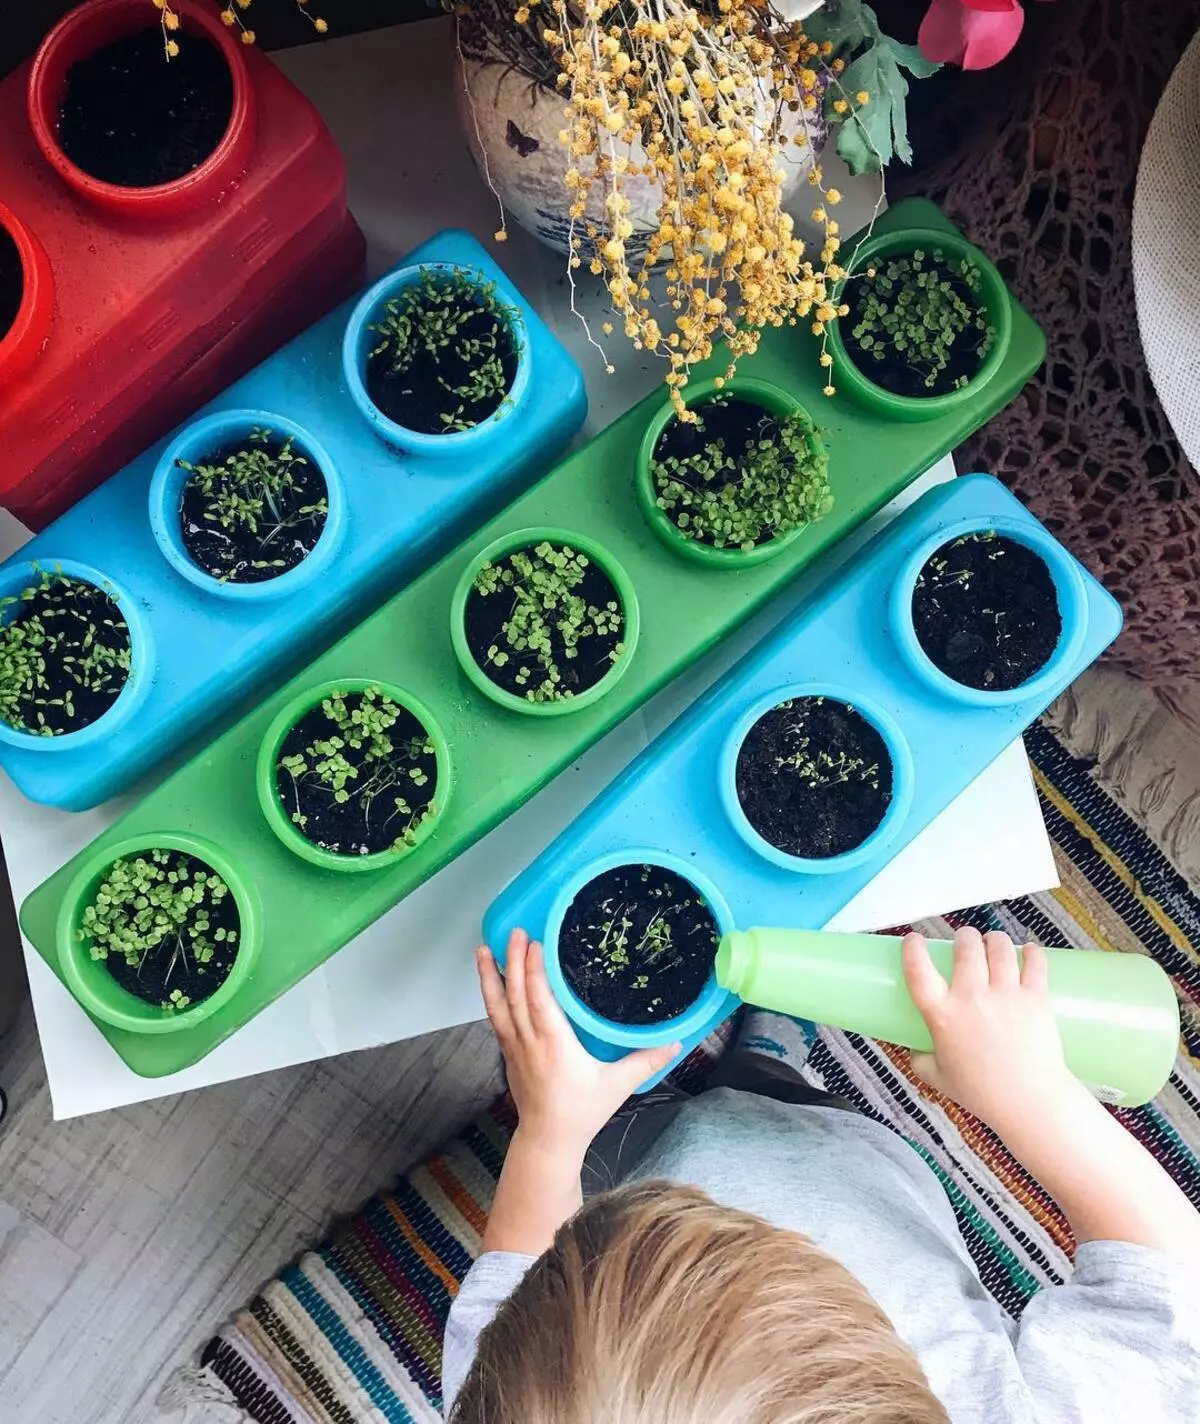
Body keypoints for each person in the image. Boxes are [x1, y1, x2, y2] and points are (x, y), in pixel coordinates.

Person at [443, 926, 1200, 1422]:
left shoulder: (525, 1394)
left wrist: (548, 1134)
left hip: (625, 1159)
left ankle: (702, 1083)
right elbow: (1169, 1285)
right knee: (777, 1101)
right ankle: (767, 1062)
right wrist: (1030, 1093)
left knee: (602, 1126)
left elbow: (513, 1275)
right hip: (842, 1163)